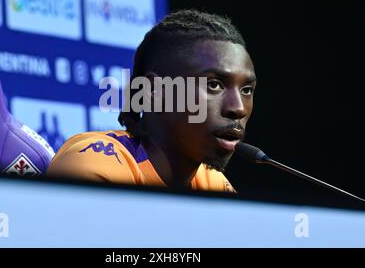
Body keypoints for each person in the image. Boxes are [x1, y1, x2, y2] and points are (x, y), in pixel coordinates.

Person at [47, 10, 257, 193]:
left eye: (246, 90)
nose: (238, 108)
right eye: (214, 85)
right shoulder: (94, 164)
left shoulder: (211, 182)